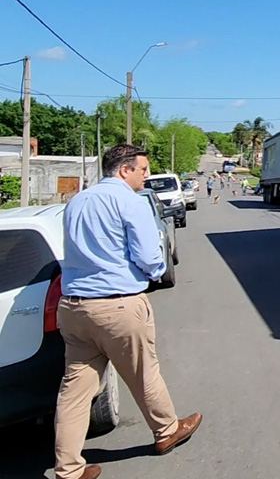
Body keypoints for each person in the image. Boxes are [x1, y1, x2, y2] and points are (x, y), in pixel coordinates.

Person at [54, 144, 202, 479]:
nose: (146, 176)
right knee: (143, 373)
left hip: (75, 306)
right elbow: (151, 257)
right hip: (117, 304)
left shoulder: (77, 201)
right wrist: (153, 273)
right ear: (124, 170)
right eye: (142, 170)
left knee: (74, 390)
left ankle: (68, 468)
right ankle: (166, 431)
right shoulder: (130, 203)